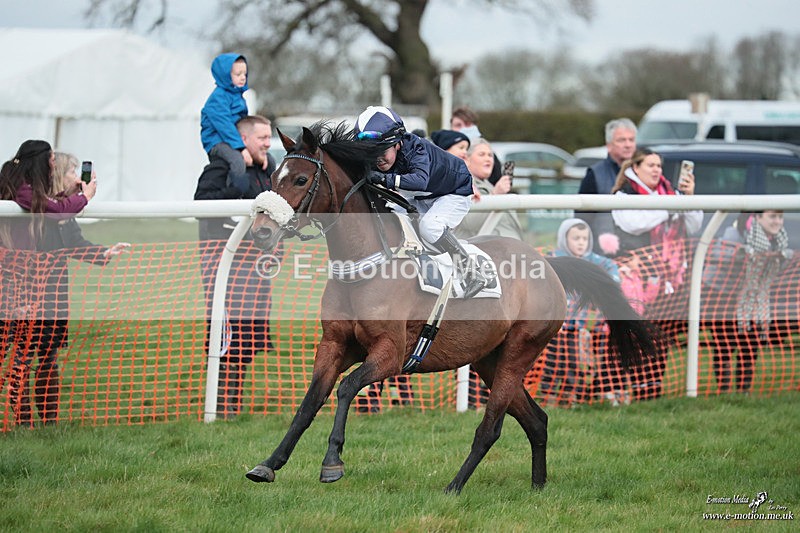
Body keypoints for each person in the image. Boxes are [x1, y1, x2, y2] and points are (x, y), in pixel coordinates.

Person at [0, 141, 112, 426]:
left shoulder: (46, 201)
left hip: (50, 293)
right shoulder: (28, 196)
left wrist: (102, 254)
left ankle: (46, 423)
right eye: (67, 169)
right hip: (19, 286)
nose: (73, 174)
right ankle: (25, 421)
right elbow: (53, 209)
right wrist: (83, 198)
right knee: (20, 357)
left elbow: (69, 233)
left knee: (45, 357)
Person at [355, 105, 487, 298]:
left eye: (382, 151)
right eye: (370, 153)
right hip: (422, 194)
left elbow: (419, 180)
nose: (377, 160)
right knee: (393, 218)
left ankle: (472, 272)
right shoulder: (387, 151)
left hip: (454, 191)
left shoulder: (415, 148)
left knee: (430, 227)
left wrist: (384, 179)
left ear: (398, 143)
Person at [194, 115, 277, 419]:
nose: (268, 144)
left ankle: (233, 404)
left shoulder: (267, 172)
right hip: (226, 270)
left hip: (257, 271)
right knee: (225, 337)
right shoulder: (221, 168)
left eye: (269, 138)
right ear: (244, 140)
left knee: (248, 340)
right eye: (262, 138)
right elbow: (201, 204)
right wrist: (237, 180)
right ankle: (217, 404)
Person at [610, 147, 703, 400]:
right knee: (632, 336)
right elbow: (633, 224)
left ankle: (652, 391)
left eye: (659, 166)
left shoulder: (672, 194)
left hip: (669, 282)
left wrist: (689, 198)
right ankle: (620, 390)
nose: (656, 170)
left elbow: (694, 225)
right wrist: (670, 206)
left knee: (662, 339)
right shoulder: (623, 194)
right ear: (635, 167)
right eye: (650, 165)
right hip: (635, 281)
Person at [706, 211, 793, 393]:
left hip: (753, 298)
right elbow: (720, 257)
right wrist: (740, 255)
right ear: (758, 218)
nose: (777, 221)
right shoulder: (734, 232)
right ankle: (723, 390)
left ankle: (743, 391)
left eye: (780, 217)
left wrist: (783, 258)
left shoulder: (780, 239)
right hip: (722, 296)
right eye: (772, 217)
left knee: (750, 345)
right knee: (725, 345)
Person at [538, 219, 620, 406]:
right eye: (576, 238)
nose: (581, 242)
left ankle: (570, 396)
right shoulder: (554, 259)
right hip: (556, 326)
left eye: (584, 238)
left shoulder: (597, 262)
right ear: (565, 239)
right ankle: (547, 395)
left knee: (575, 362)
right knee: (552, 362)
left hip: (581, 327)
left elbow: (613, 276)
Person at [576, 118, 638, 255]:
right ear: (609, 145)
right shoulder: (594, 175)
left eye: (631, 140)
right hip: (604, 255)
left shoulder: (646, 173)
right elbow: (582, 219)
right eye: (622, 140)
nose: (628, 145)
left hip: (641, 254)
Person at [200, 53, 254, 194]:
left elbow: (243, 121)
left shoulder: (238, 96)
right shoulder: (218, 98)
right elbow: (225, 127)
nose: (243, 77)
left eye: (245, 73)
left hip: (234, 140)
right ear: (225, 75)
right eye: (238, 74)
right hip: (217, 141)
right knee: (237, 162)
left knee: (266, 158)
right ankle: (234, 195)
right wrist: (242, 148)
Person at [455, 137, 523, 240]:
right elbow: (470, 224)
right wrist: (496, 195)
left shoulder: (491, 186)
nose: (488, 159)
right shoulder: (460, 184)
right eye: (481, 154)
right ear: (467, 159)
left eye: (490, 155)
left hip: (511, 250)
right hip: (483, 252)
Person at [450, 106, 504, 185]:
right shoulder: (443, 153)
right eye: (458, 125)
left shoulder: (489, 155)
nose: (463, 129)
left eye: (467, 125)